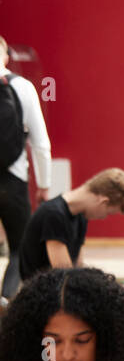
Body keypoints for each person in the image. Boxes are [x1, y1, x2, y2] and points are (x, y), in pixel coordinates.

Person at [19, 168, 124, 344]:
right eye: (109, 212)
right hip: (47, 293)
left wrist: (115, 285)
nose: (104, 217)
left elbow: (79, 267)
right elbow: (65, 274)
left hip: (66, 286)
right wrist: (116, 290)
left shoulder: (80, 217)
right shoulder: (53, 215)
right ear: (103, 201)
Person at [0, 35, 52, 300]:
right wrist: (44, 185)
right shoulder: (23, 87)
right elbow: (41, 143)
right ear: (7, 55)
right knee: (20, 248)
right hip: (12, 181)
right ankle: (7, 307)